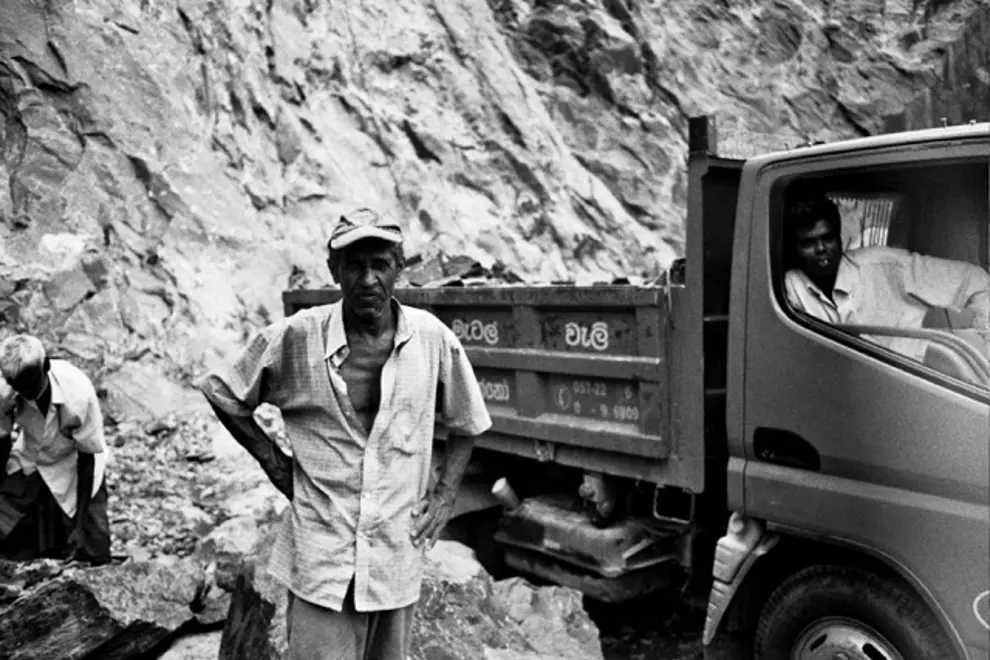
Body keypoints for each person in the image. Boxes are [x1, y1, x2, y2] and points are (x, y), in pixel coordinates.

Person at [199, 207, 492, 660]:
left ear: (399, 268)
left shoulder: (431, 339)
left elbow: (467, 419)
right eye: (354, 265)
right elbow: (223, 391)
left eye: (380, 264)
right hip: (323, 554)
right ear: (334, 270)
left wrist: (446, 493)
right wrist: (274, 462)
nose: (368, 279)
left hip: (395, 552)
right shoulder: (298, 336)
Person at [783, 194, 990, 363]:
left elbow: (976, 280)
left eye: (827, 238)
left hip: (909, 381)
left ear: (839, 238)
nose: (821, 249)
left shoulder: (883, 264)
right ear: (794, 249)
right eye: (808, 243)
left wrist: (986, 344)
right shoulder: (791, 287)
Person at [0, 334, 111, 564]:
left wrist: (79, 526)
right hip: (33, 454)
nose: (25, 392)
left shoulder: (77, 395)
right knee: (7, 522)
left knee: (94, 549)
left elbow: (87, 458)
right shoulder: (6, 392)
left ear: (46, 367)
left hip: (74, 460)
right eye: (18, 386)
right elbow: (1, 440)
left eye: (29, 383)